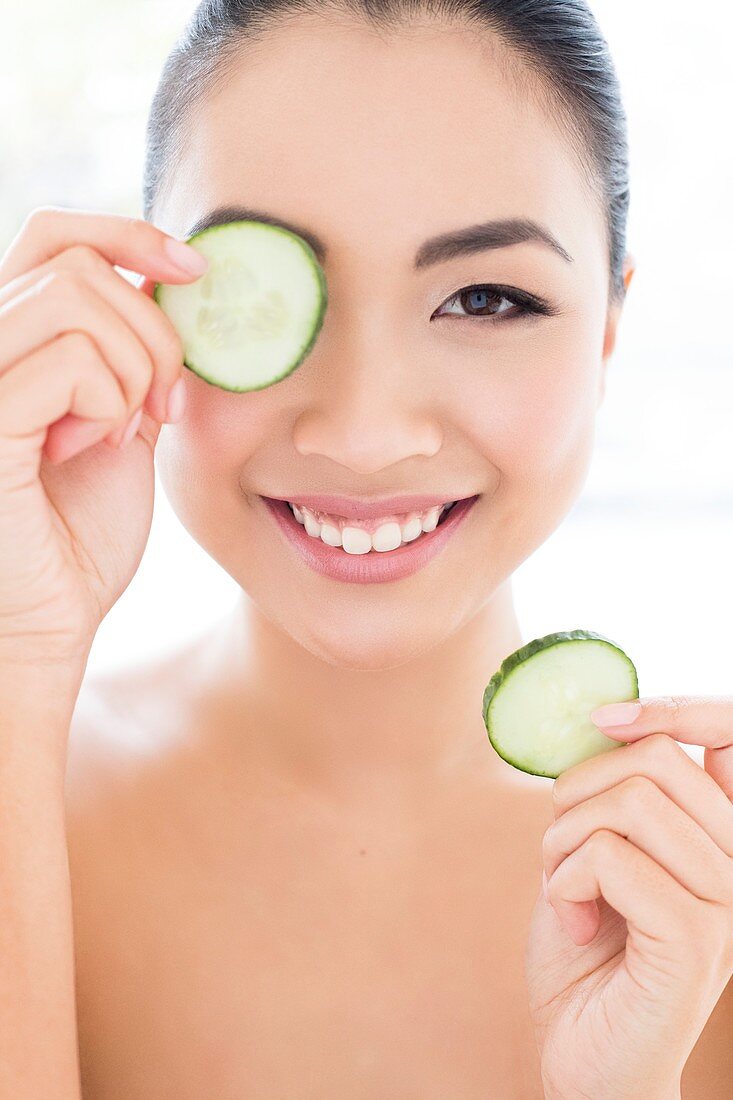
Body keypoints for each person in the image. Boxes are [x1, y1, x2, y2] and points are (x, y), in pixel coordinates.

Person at [1, 1, 731, 1096]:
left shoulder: (695, 892)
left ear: (609, 331)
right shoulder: (23, 786)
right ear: (138, 299)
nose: (364, 430)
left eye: (487, 297)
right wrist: (16, 650)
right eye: (270, 291)